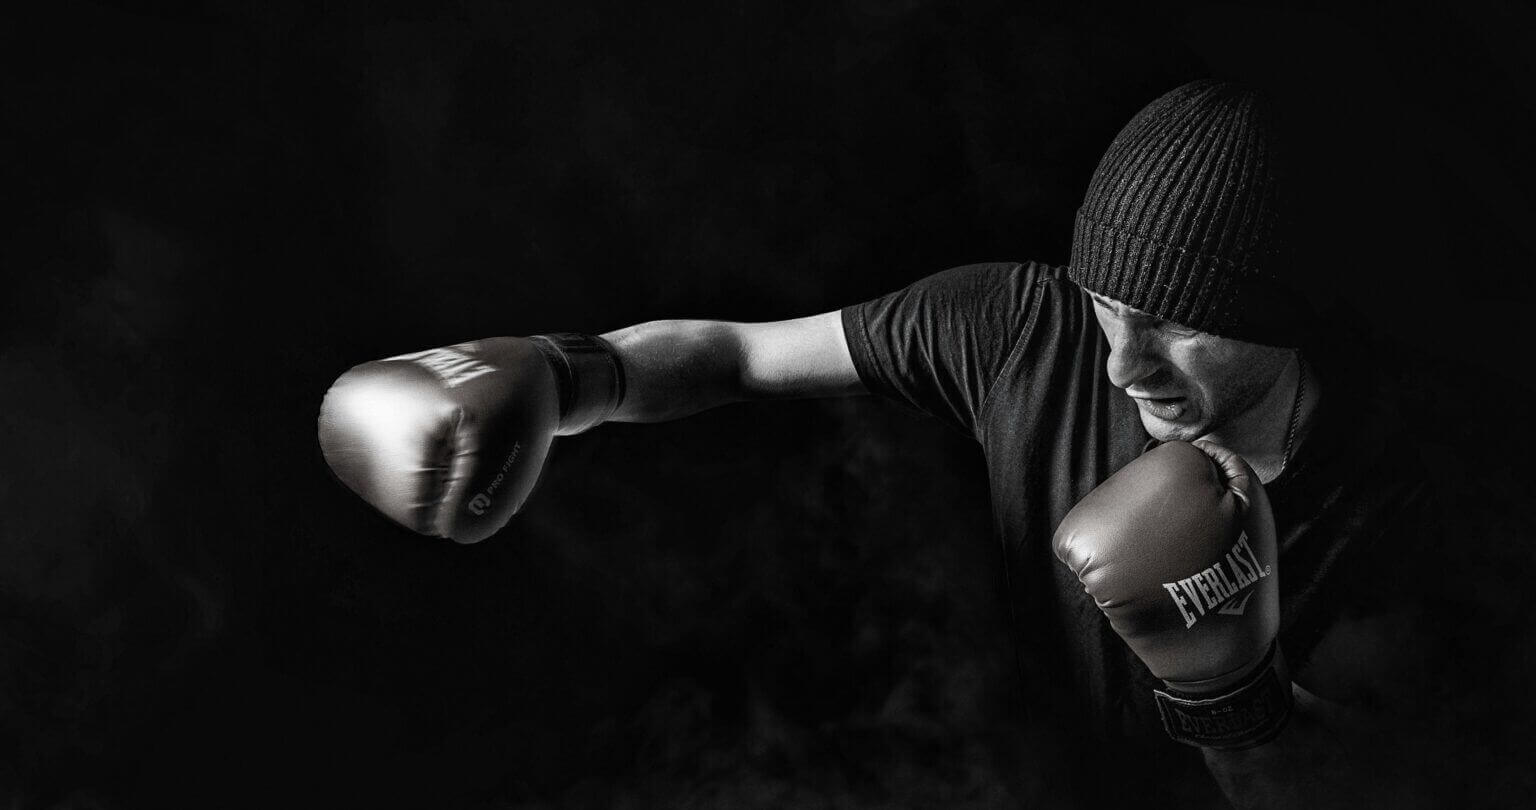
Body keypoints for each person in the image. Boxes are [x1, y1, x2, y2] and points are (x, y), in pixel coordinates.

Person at [318, 81, 1493, 807]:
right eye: (1110, 308)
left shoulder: (1427, 496)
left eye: (1185, 332)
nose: (1128, 369)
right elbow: (734, 355)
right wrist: (572, 373)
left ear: (1288, 317)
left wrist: (1233, 695)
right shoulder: (1019, 326)